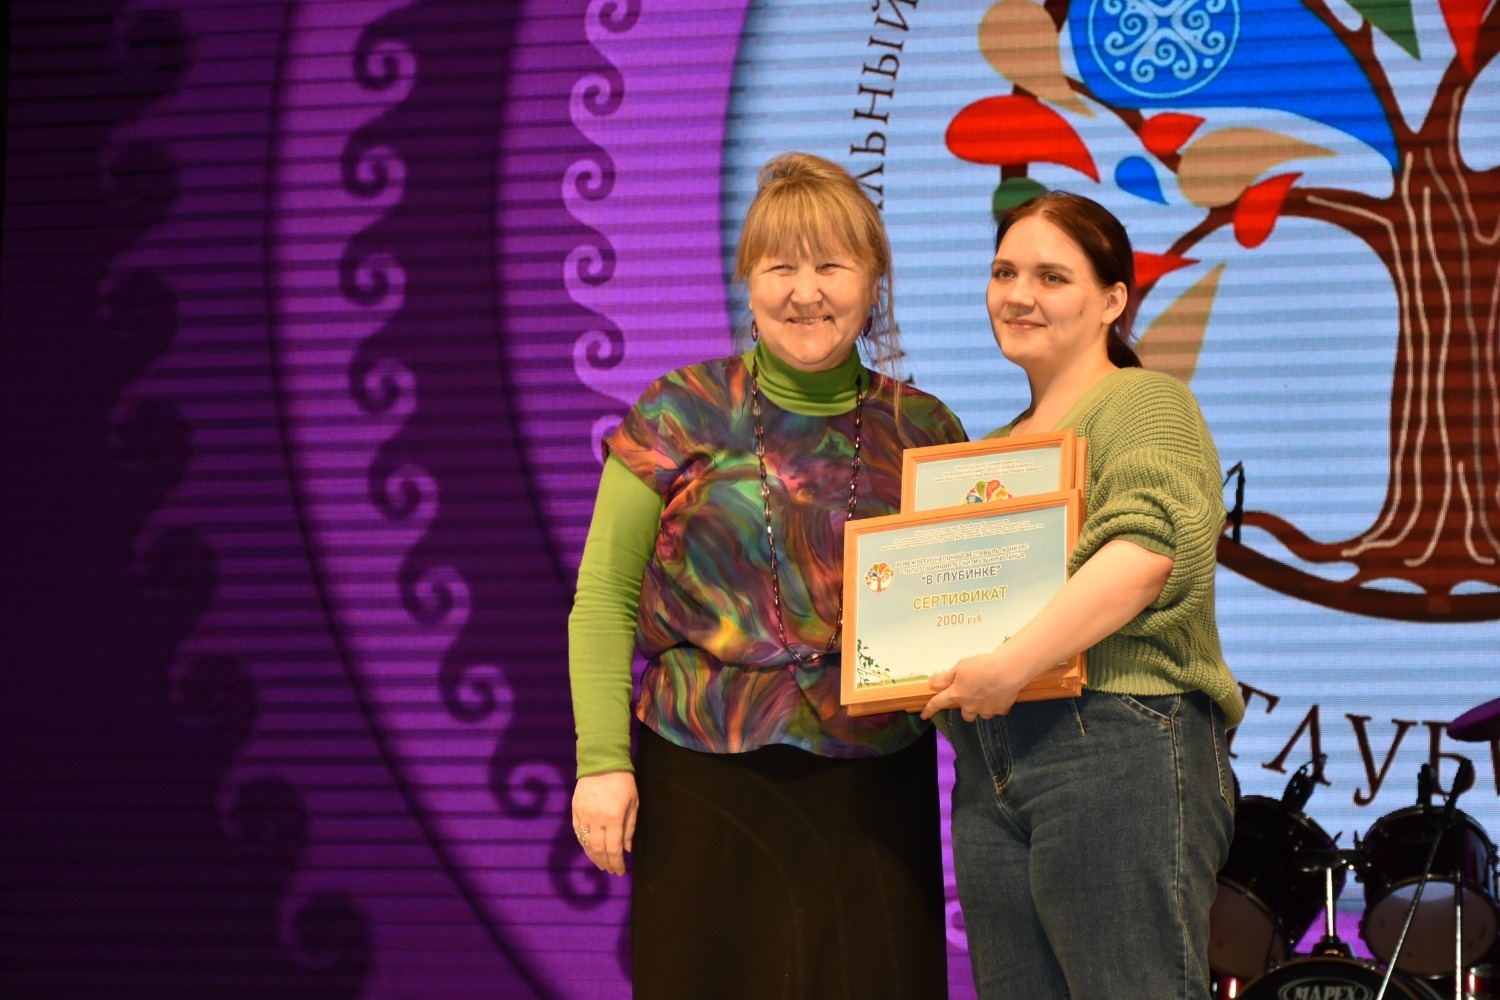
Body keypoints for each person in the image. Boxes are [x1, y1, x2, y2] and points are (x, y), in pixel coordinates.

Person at [568, 151, 966, 999]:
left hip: (873, 788)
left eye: (831, 266)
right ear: (748, 281)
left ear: (874, 281)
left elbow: (961, 615)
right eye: (781, 266)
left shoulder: (926, 430)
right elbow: (602, 596)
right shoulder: (677, 411)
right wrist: (601, 762)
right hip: (699, 779)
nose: (805, 292)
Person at [920, 191, 1245, 998]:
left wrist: (1009, 664)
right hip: (993, 762)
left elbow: (1146, 554)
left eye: (1051, 276)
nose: (1018, 295)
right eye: (1004, 272)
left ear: (1112, 301)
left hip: (1117, 739)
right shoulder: (988, 453)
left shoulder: (1145, 401)